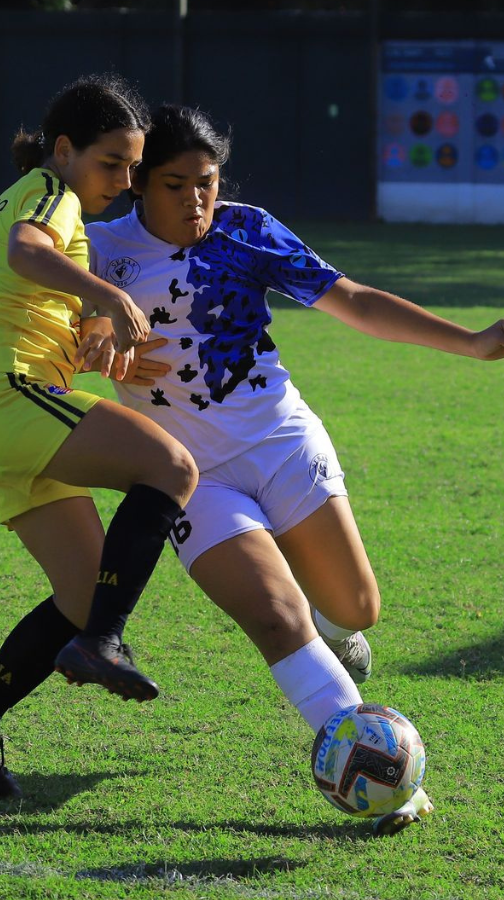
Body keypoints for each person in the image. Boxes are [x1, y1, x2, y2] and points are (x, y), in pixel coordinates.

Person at [84, 103, 503, 834]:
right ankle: (387, 782)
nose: (196, 201)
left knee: (357, 609)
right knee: (275, 617)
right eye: (176, 185)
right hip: (187, 474)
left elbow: (357, 302)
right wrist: (86, 345)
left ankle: (333, 631)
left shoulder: (248, 230)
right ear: (140, 185)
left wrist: (473, 344)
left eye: (206, 183)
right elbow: (35, 334)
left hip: (281, 441)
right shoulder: (97, 250)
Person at [0, 75, 199, 799]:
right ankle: (105, 641)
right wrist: (105, 293)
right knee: (170, 467)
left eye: (134, 169)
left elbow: (24, 299)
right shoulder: (51, 193)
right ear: (65, 150)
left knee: (83, 593)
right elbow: (23, 253)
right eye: (113, 163)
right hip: (9, 395)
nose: (126, 181)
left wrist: (97, 346)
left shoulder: (45, 201)